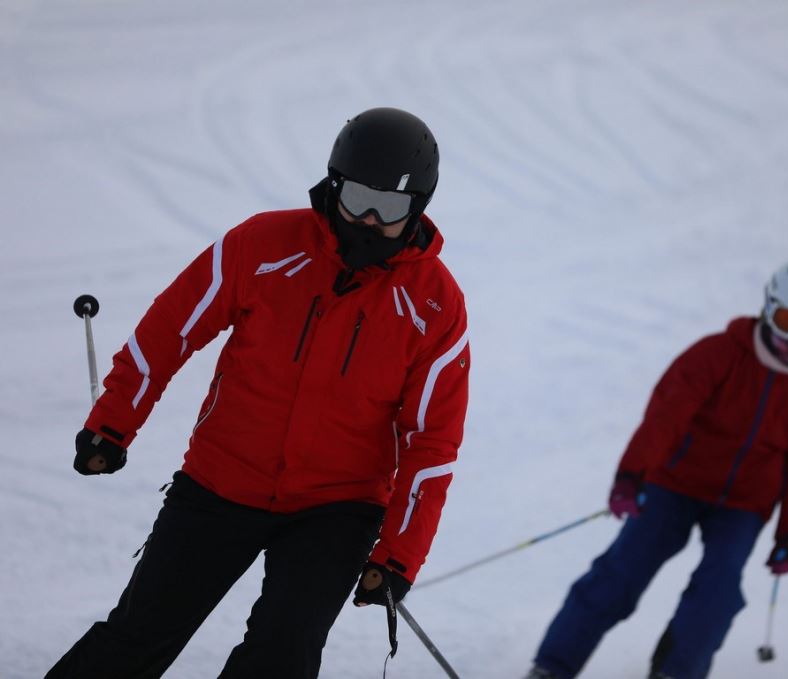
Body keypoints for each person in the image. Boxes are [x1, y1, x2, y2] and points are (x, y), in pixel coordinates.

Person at [46, 107, 471, 679]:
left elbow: (432, 442)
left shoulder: (434, 304)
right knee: (139, 634)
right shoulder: (264, 244)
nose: (369, 221)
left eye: (390, 208)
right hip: (222, 479)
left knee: (283, 657)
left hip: (337, 507)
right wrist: (113, 422)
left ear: (418, 207)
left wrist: (399, 553)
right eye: (357, 200)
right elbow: (170, 330)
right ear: (333, 186)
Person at [526, 261, 788, 679]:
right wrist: (632, 475)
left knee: (717, 591)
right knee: (622, 570)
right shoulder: (717, 355)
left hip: (743, 505)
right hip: (675, 485)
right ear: (769, 308)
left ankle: (674, 673)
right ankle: (551, 667)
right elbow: (666, 417)